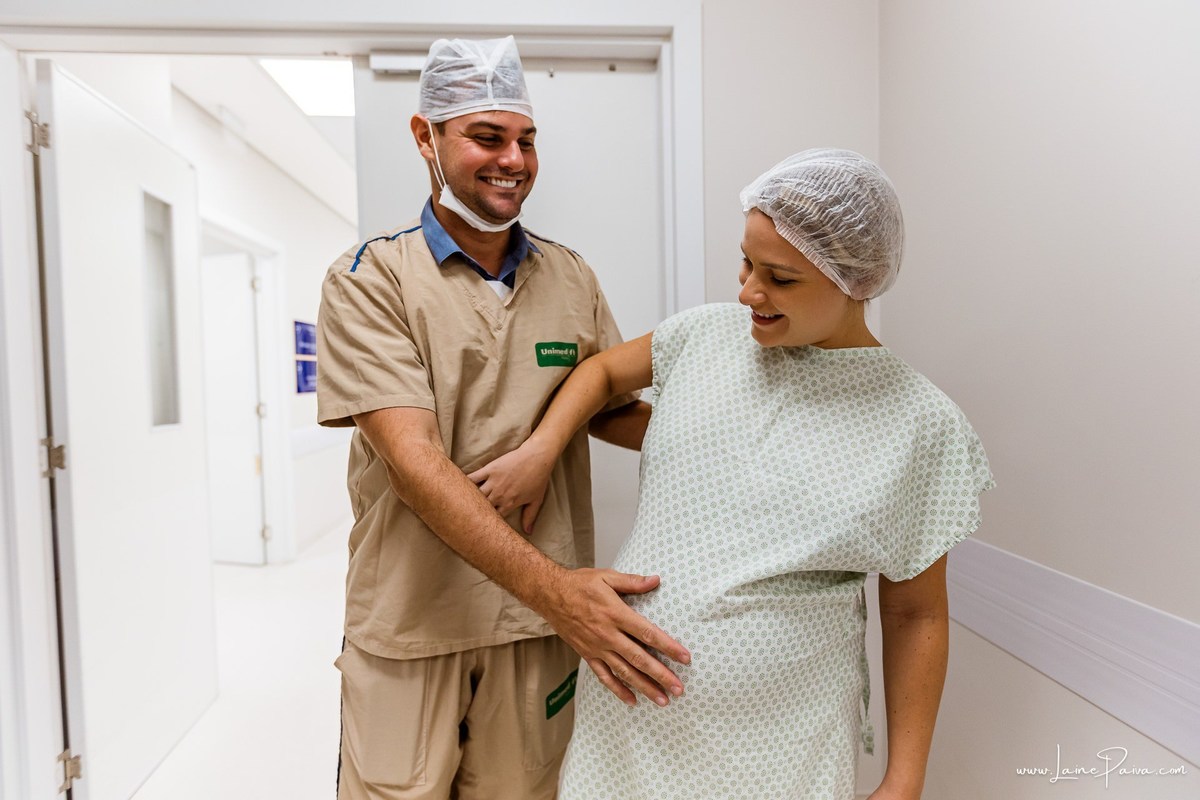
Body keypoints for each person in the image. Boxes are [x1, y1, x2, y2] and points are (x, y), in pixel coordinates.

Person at [471, 149, 995, 799]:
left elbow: (917, 615)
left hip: (782, 748)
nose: (748, 291)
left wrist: (905, 776)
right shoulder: (707, 338)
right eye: (746, 262)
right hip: (627, 731)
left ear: (853, 280)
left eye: (780, 277)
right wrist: (542, 448)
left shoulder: (919, 424)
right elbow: (603, 373)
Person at [316, 35, 689, 800]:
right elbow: (414, 465)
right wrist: (561, 591)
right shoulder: (370, 279)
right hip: (413, 623)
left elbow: (610, 410)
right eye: (487, 137)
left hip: (533, 632)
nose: (513, 160)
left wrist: (733, 430)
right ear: (426, 137)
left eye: (525, 140)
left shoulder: (570, 275)